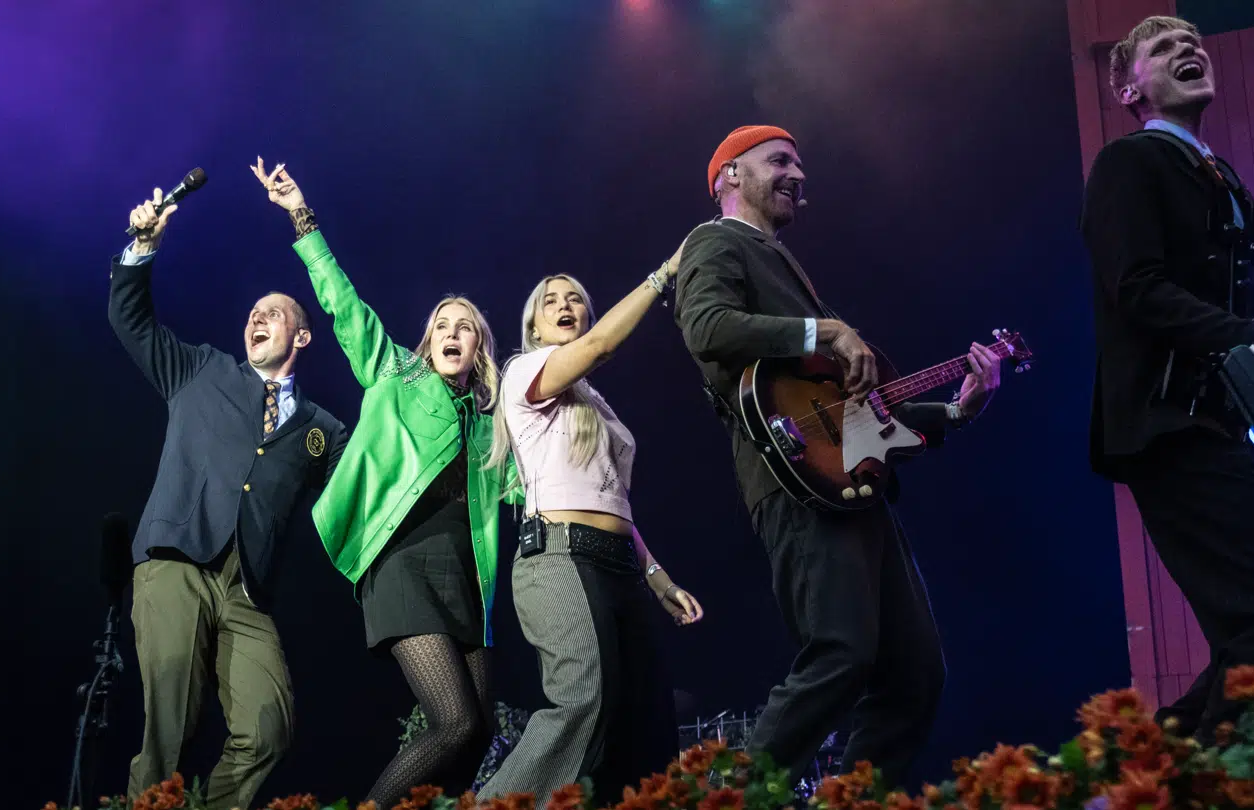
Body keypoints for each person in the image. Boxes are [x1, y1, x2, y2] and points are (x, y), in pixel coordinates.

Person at [672, 126, 1002, 788]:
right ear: (729, 176)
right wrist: (823, 328)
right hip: (792, 480)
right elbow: (705, 328)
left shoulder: (788, 268)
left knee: (915, 674)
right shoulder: (714, 243)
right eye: (780, 160)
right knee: (840, 653)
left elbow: (868, 415)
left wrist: (962, 408)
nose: (798, 173)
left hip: (850, 485)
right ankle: (731, 800)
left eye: (799, 163)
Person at [1083, 16, 1254, 737]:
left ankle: (1159, 766)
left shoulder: (1227, 184)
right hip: (1166, 429)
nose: (1188, 50)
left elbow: (1246, 309)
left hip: (1216, 427)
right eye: (1164, 48)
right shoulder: (1128, 165)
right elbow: (1137, 287)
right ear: (1128, 86)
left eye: (1193, 42)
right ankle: (1178, 777)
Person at [252, 159, 520, 808]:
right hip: (402, 564)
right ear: (429, 341)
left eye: (468, 329)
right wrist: (301, 216)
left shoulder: (491, 422)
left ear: (480, 349)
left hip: (470, 579)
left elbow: (527, 491)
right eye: (444, 326)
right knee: (453, 720)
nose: (454, 334)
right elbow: (340, 301)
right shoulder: (395, 373)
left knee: (478, 733)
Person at [110, 187, 348, 810]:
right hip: (175, 564)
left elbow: (360, 491)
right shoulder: (201, 369)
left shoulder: (324, 430)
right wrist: (143, 246)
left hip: (246, 590)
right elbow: (130, 321)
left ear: (302, 337)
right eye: (251, 315)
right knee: (169, 731)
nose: (256, 319)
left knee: (269, 728)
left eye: (272, 313)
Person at [477, 269, 705, 808]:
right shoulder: (525, 370)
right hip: (559, 556)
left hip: (619, 563)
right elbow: (601, 345)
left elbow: (613, 501)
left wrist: (657, 576)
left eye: (575, 298)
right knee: (583, 703)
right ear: (533, 321)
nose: (563, 304)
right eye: (550, 300)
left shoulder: (595, 401)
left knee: (647, 722)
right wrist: (664, 275)